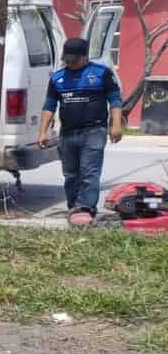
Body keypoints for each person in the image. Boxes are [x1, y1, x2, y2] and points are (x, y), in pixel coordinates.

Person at [38, 37, 123, 226]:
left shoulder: (101, 74)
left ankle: (86, 208)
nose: (70, 62)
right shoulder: (57, 78)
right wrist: (43, 131)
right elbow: (49, 106)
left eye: (74, 59)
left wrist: (115, 125)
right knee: (71, 174)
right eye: (67, 59)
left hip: (94, 131)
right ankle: (73, 207)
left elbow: (115, 100)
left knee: (89, 172)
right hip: (68, 133)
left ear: (84, 57)